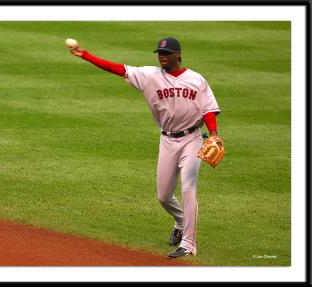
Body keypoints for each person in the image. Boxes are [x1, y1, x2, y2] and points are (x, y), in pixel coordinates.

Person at [68, 37, 221, 258]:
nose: (162, 56)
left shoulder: (196, 80)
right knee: (164, 196)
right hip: (167, 140)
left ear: (178, 54)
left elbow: (207, 108)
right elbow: (118, 69)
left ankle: (188, 244)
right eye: (160, 52)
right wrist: (86, 55)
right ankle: (180, 220)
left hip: (192, 138)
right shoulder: (149, 75)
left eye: (167, 52)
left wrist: (214, 133)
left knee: (189, 186)